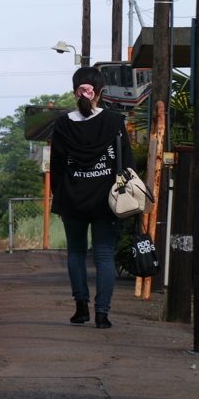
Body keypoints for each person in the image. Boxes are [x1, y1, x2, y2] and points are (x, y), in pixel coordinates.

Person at [50, 67, 133, 329]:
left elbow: (57, 166)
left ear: (76, 89)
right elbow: (127, 163)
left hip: (73, 199)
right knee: (104, 256)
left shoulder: (63, 124)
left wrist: (60, 196)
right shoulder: (114, 121)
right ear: (101, 91)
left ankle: (81, 309)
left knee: (75, 252)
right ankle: (102, 314)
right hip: (107, 200)